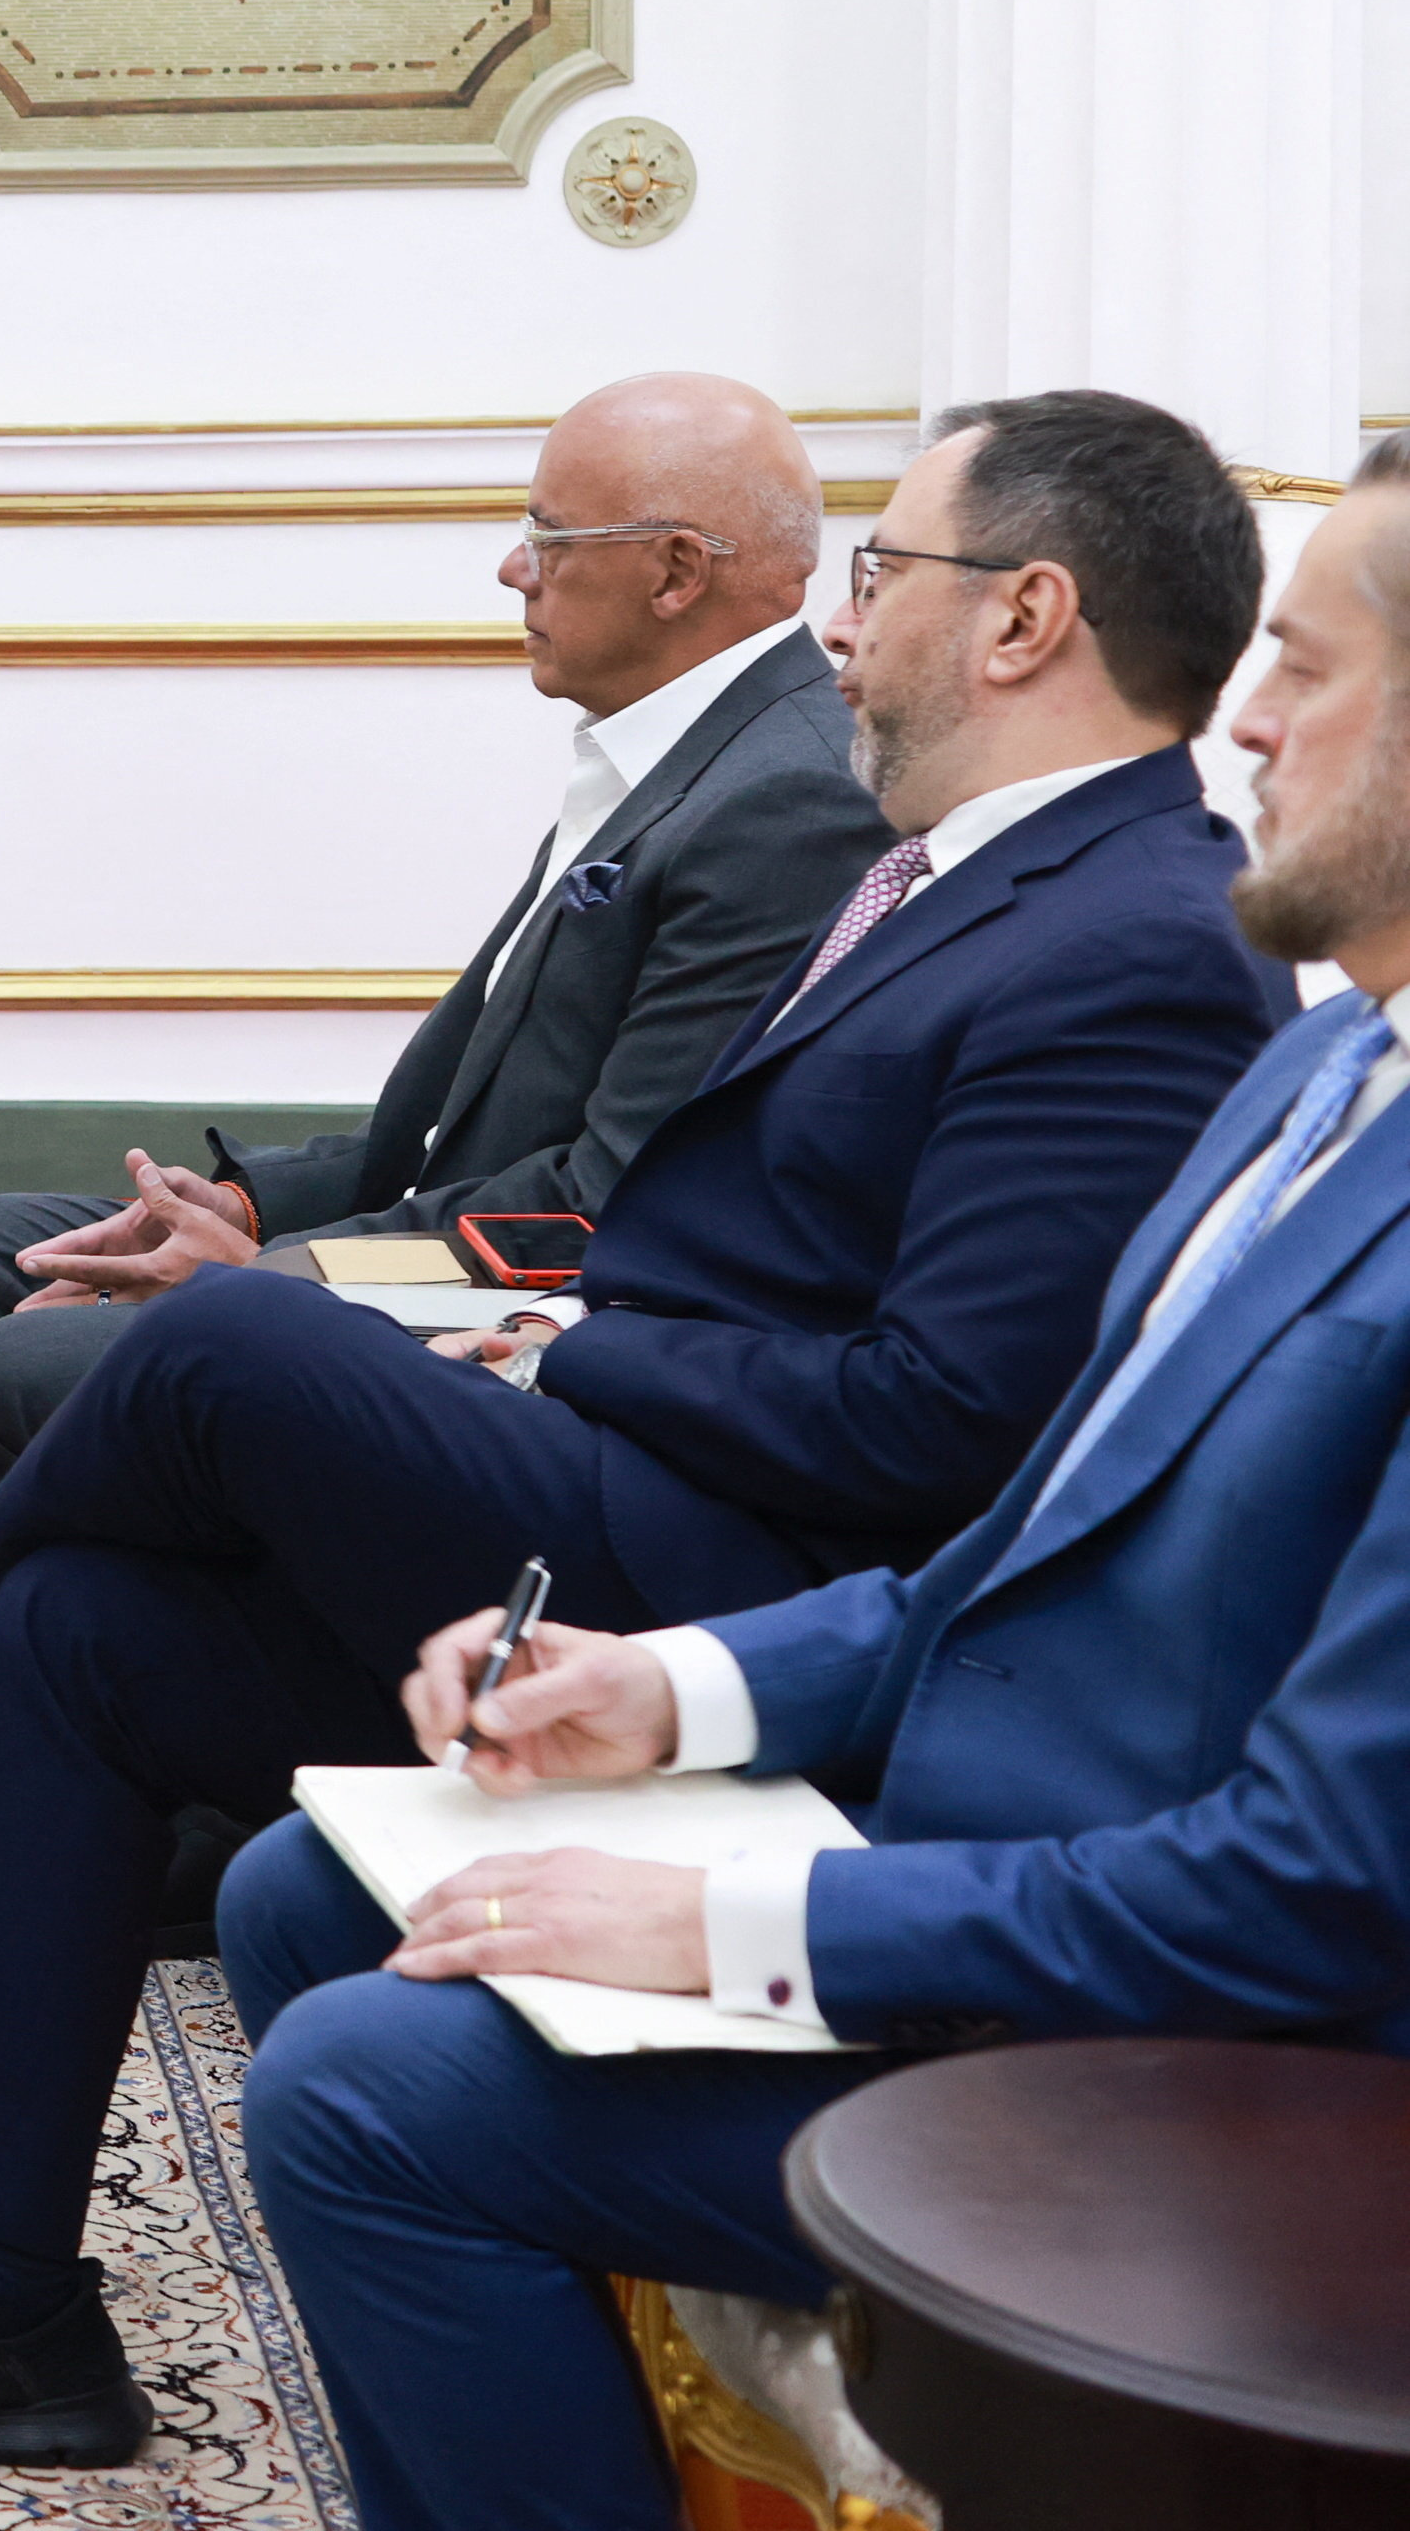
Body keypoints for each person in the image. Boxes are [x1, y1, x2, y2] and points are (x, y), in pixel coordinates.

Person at [0, 389, 1289, 2471]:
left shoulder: (1123, 937)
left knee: (229, 1354)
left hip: (742, 1563)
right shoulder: (965, 877)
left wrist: (565, 1342)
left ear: (1023, 615)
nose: (842, 627)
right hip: (659, 1499)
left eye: (879, 574)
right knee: (86, 1626)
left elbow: (946, 1420)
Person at [218, 429, 1410, 2531]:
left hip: (1232, 2055)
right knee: (298, 1881)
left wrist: (740, 1916)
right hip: (1018, 1849)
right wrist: (667, 1685)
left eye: (1307, 670)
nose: (1241, 712)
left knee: (364, 2086)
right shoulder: (1324, 1066)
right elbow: (1019, 1547)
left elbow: (1310, 1885)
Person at [0, 373, 888, 1512]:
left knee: (28, 1360)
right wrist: (252, 1207)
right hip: (461, 1225)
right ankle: (155, 1621)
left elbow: (605, 1204)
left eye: (549, 537)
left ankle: (31, 1641)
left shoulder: (787, 802)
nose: (513, 568)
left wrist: (272, 1282)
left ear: (675, 570)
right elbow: (456, 1113)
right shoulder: (683, 747)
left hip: (531, 1295)